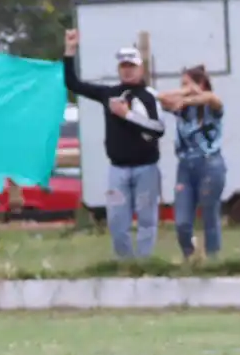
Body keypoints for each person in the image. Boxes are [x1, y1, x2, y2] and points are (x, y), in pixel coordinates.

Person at [63, 30, 165, 259]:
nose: (127, 70)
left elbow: (158, 129)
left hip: (146, 168)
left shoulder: (149, 96)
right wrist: (70, 51)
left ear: (140, 68)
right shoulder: (109, 93)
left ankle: (145, 262)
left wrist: (127, 115)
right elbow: (73, 83)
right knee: (118, 221)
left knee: (147, 219)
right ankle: (125, 263)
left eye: (131, 65)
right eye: (123, 66)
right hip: (117, 168)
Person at [158, 65, 226, 262]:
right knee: (182, 221)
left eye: (186, 84)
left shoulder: (212, 108)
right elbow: (161, 97)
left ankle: (213, 258)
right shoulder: (182, 110)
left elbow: (211, 98)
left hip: (210, 165)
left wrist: (190, 95)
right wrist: (183, 95)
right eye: (181, 85)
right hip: (185, 167)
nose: (182, 89)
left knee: (209, 214)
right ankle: (189, 253)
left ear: (201, 84)